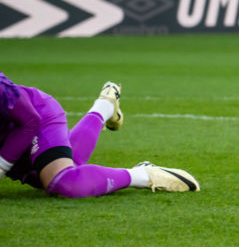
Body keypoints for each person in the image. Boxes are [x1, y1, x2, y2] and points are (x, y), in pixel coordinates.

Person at [0, 75, 199, 197]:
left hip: (36, 117)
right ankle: (105, 106)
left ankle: (144, 175)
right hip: (10, 136)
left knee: (63, 182)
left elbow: (29, 120)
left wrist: (2, 165)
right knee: (59, 173)